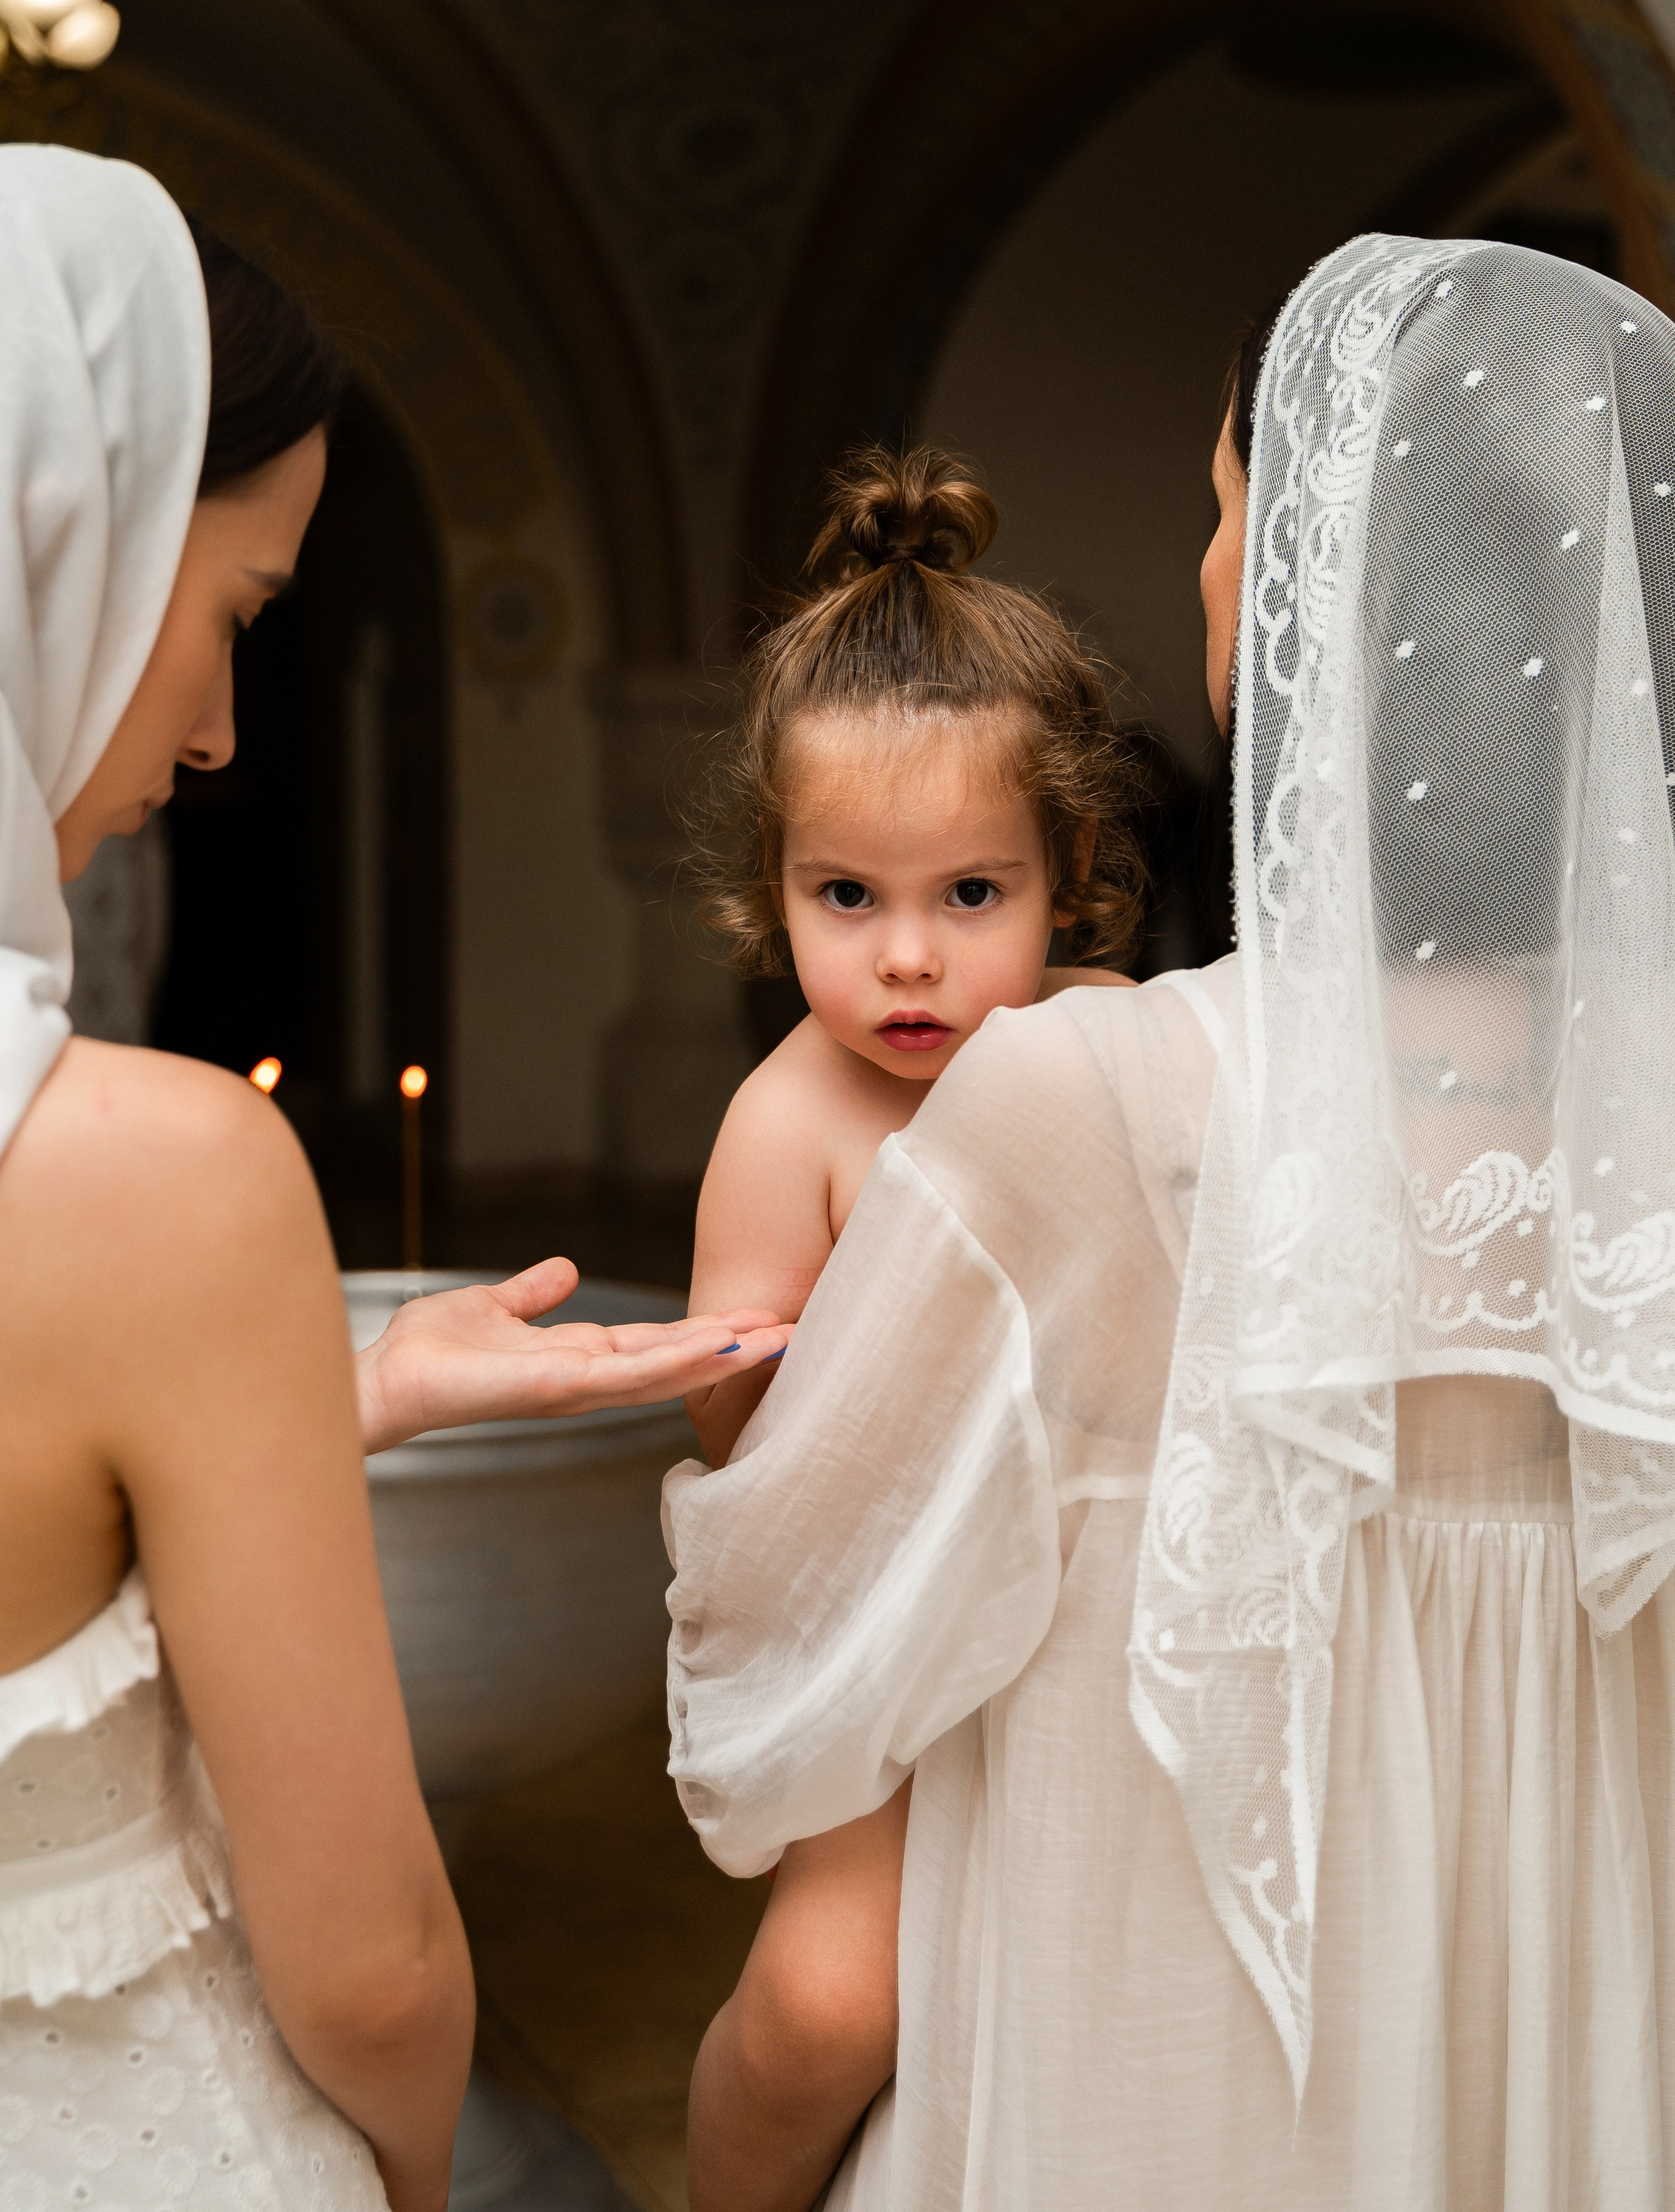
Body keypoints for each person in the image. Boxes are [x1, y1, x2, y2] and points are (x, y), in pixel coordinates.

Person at [660, 231, 1675, 2211]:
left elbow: (801, 1621)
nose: (1211, 566)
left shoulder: (1094, 1105)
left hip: (1162, 2097)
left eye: (1231, 510)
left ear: (1317, 584)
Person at [0, 143, 791, 2212]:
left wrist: (304, 1404)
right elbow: (369, 1966)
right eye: (233, 617)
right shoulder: (158, 1179)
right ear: (59, 548)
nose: (220, 734)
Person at [677, 445, 1143, 2207]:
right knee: (826, 1997)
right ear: (775, 886)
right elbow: (737, 1432)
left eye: (972, 895)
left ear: (1070, 871)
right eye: (845, 899)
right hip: (893, 1618)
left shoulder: (1114, 1040)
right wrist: (805, 1377)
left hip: (1100, 1606)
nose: (909, 963)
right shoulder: (791, 1123)